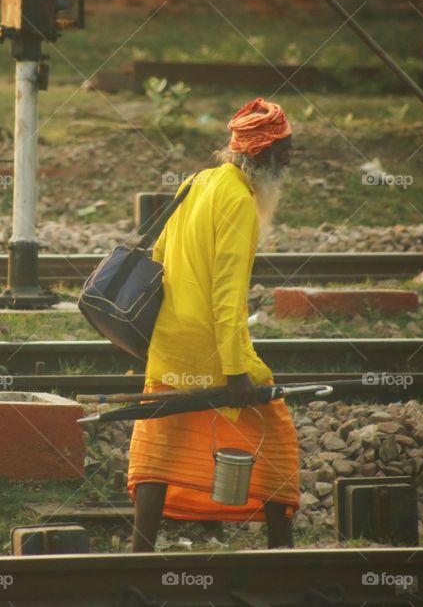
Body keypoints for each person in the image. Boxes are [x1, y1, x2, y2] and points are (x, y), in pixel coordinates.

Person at [127, 97, 298, 551]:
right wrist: (236, 371)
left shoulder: (196, 182)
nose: (290, 162)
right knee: (276, 438)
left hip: (169, 344)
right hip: (213, 348)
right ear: (262, 155)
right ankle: (283, 555)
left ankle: (138, 553)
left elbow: (159, 258)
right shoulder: (239, 201)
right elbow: (227, 297)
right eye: (285, 153)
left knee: (160, 444)